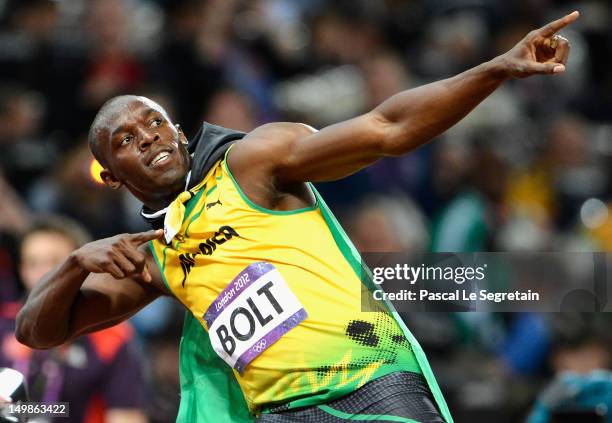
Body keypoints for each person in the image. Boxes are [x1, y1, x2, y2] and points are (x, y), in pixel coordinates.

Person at [16, 11, 579, 423]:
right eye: (126, 140)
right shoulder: (151, 256)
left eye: (156, 124)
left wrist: (497, 69)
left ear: (181, 133)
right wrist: (71, 264)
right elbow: (38, 332)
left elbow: (387, 129)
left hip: (371, 383)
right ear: (110, 176)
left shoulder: (250, 162)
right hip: (280, 414)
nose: (149, 140)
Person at [2, 216, 148, 423]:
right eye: (32, 263)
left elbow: (126, 417)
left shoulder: (112, 339)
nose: (42, 274)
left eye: (55, 263)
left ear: (86, 269)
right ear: (22, 270)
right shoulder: (2, 324)